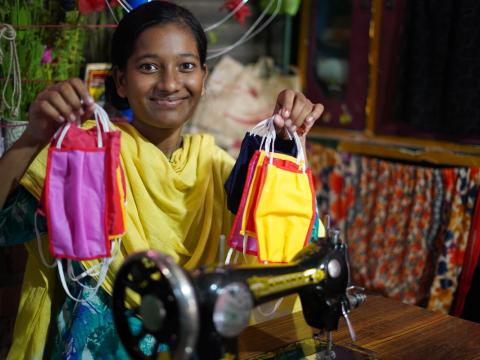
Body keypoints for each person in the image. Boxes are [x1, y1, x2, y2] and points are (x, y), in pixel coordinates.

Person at [0, 1, 324, 358]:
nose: (169, 84)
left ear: (203, 78)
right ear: (121, 81)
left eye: (185, 66)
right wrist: (33, 138)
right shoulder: (88, 159)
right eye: (149, 67)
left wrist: (283, 151)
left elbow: (293, 244)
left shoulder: (218, 169)